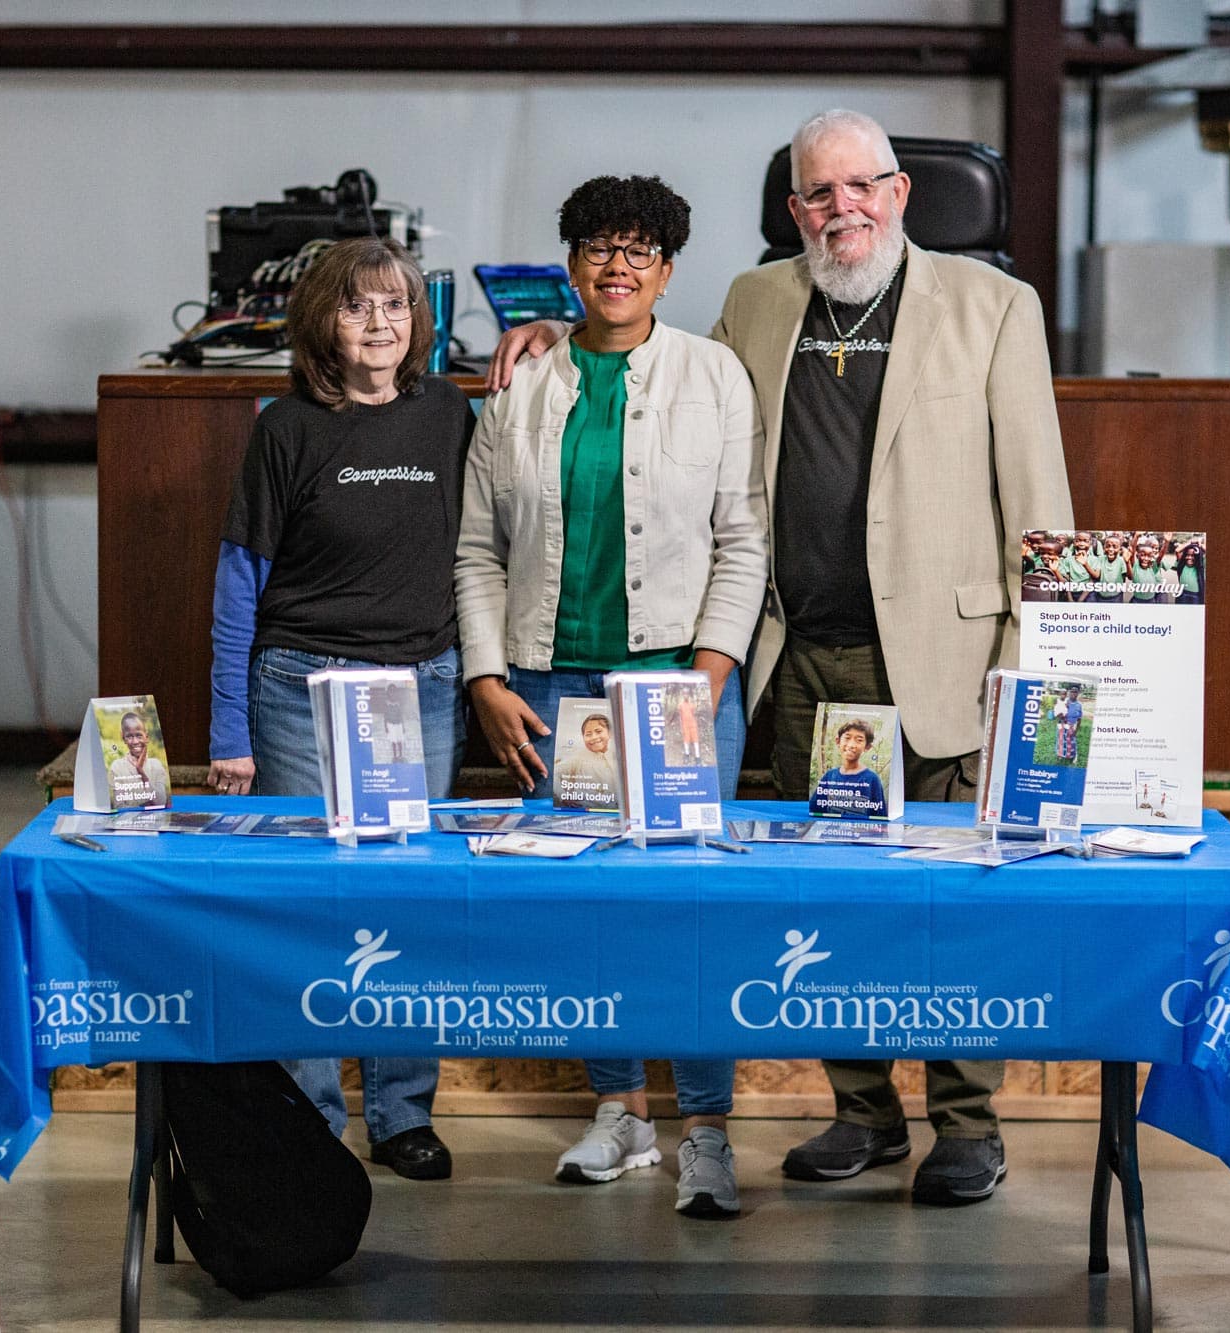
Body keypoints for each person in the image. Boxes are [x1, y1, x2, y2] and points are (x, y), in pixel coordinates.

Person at [490, 110, 1073, 1207]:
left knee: (945, 912)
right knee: (832, 902)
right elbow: (658, 387)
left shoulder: (994, 307)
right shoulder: (754, 304)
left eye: (860, 187)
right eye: (816, 193)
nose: (839, 208)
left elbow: (1038, 505)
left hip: (945, 660)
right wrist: (537, 337)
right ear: (792, 209)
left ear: (900, 194)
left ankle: (966, 1122)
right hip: (799, 657)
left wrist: (1022, 671)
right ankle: (863, 1113)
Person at [457, 173, 767, 1219]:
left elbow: (741, 539)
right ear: (572, 265)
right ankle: (622, 1112)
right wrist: (489, 679)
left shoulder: (713, 375)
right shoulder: (523, 384)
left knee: (692, 908)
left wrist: (707, 678)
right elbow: (476, 552)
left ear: (667, 270)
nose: (617, 267)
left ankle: (708, 1132)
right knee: (589, 905)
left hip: (679, 679)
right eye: (598, 248)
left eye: (639, 251)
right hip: (555, 683)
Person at [208, 234, 473, 1182]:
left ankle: (403, 1114)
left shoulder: (447, 412)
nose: (380, 323)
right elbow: (240, 581)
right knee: (310, 903)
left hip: (418, 687)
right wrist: (227, 731)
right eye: (359, 306)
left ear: (418, 320)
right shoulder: (287, 426)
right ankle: (314, 1118)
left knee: (402, 901)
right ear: (324, 320)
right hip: (299, 687)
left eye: (397, 305)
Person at [815, 719, 886, 815]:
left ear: (867, 747)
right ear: (838, 741)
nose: (851, 745)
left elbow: (880, 816)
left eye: (859, 740)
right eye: (847, 738)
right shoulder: (829, 776)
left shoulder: (872, 779)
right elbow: (816, 810)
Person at [553, 711, 619, 807]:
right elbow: (554, 773)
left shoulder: (617, 756)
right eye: (588, 734)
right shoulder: (578, 757)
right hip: (585, 809)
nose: (594, 737)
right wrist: (563, 796)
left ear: (610, 733)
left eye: (598, 731)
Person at [108, 709, 170, 807]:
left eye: (139, 735)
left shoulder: (156, 765)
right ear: (123, 738)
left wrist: (141, 772)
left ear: (147, 736)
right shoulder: (117, 767)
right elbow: (119, 805)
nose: (135, 741)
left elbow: (161, 802)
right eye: (129, 736)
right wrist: (146, 805)